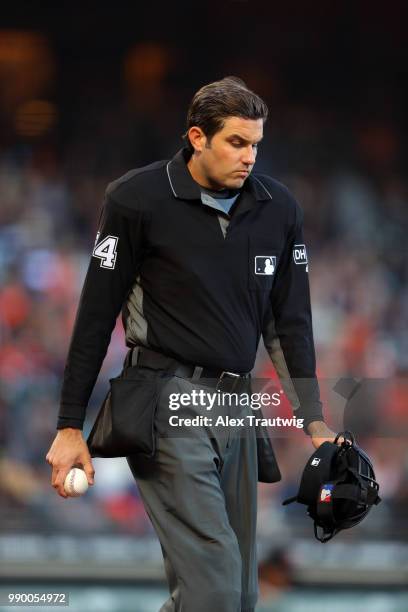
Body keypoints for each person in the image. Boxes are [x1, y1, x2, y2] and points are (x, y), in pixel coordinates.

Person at [46, 76, 339, 612]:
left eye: (256, 144)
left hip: (236, 407)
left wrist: (315, 423)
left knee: (240, 599)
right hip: (164, 398)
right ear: (197, 137)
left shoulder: (280, 209)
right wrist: (69, 425)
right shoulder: (136, 198)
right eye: (236, 142)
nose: (250, 156)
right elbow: (95, 316)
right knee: (215, 591)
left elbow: (289, 325)